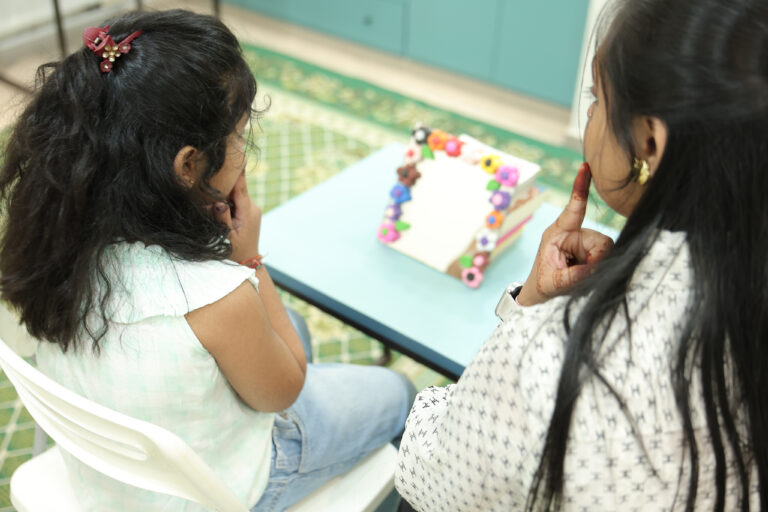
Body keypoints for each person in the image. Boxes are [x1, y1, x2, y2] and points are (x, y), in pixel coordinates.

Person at [0, 9, 414, 511]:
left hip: (104, 476)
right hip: (221, 490)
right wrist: (248, 259)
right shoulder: (215, 295)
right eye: (238, 135)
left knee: (294, 327)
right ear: (188, 164)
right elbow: (284, 392)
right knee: (400, 393)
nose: (243, 148)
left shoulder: (49, 240)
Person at [395, 0, 767, 510]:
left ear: (649, 141)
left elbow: (428, 470)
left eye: (598, 97)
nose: (590, 114)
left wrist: (528, 307)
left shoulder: (553, 356)